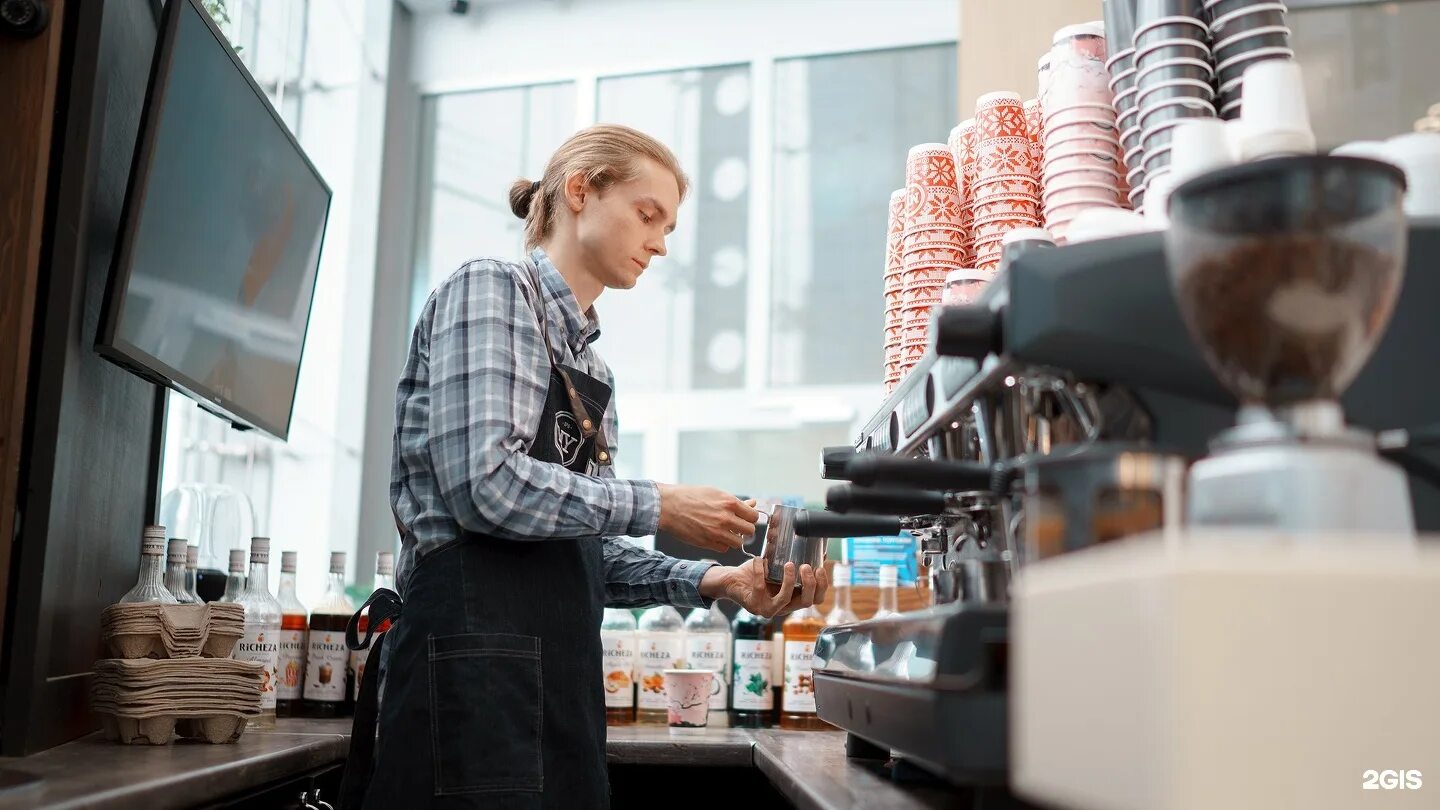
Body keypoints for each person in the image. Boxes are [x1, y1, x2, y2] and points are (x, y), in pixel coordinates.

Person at [344, 125, 830, 809]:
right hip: (471, 681)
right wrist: (660, 504)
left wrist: (716, 578)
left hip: (561, 692)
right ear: (580, 191)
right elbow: (487, 486)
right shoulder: (491, 289)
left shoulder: (592, 371)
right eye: (647, 214)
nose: (661, 242)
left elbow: (582, 551)